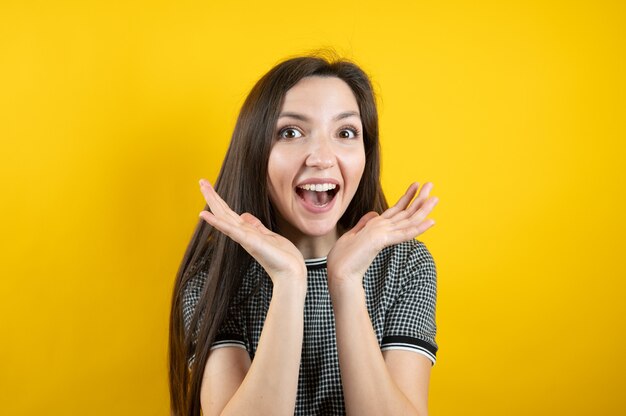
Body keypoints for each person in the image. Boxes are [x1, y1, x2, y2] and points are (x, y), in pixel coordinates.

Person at [168, 53, 440, 416]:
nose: (321, 157)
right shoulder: (214, 275)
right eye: (290, 132)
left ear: (365, 153)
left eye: (345, 133)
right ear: (255, 152)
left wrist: (345, 281)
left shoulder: (405, 265)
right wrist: (288, 280)